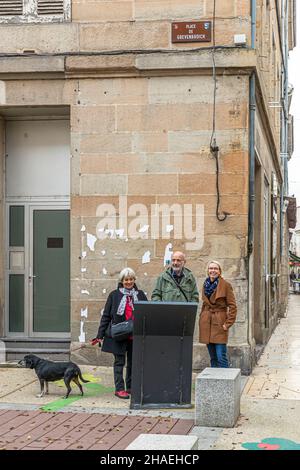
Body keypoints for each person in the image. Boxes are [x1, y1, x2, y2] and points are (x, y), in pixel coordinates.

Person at [91, 268, 147, 399]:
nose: (129, 282)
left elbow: (146, 314)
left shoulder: (140, 295)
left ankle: (131, 387)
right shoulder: (114, 295)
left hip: (134, 335)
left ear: (134, 280)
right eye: (126, 280)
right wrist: (100, 335)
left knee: (133, 363)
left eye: (131, 279)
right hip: (119, 335)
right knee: (119, 362)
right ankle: (119, 388)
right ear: (121, 281)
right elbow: (106, 316)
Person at [199, 260, 237, 368]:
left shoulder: (225, 285)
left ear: (220, 271)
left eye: (215, 268)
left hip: (219, 323)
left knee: (221, 356)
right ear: (208, 271)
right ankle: (214, 381)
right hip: (207, 323)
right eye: (211, 268)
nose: (213, 271)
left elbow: (233, 306)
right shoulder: (205, 284)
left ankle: (225, 382)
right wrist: (202, 318)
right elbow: (204, 303)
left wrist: (227, 324)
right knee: (213, 357)